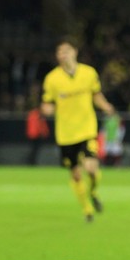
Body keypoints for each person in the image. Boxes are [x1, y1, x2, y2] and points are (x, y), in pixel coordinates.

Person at [41, 38, 115, 222]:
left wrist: (105, 106)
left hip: (87, 129)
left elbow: (96, 95)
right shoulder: (52, 79)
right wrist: (46, 109)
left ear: (75, 52)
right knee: (75, 174)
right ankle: (87, 209)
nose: (62, 54)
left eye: (66, 50)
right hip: (66, 134)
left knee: (90, 168)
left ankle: (94, 191)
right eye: (59, 52)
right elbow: (46, 103)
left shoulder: (89, 73)